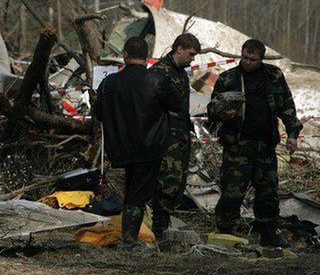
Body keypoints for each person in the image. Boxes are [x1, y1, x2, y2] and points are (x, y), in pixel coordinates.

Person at [208, 39, 302, 247]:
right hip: (237, 146)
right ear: (241, 54)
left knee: (268, 192)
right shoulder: (228, 78)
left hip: (265, 145)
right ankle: (225, 231)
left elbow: (286, 106)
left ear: (261, 58)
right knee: (232, 192)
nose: (248, 62)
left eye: (253, 59)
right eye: (245, 58)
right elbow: (212, 108)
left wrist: (293, 133)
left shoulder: (274, 76)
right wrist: (223, 114)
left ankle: (268, 233)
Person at [94, 37, 179, 250]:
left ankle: (130, 236)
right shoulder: (156, 81)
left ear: (124, 54)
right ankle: (130, 240)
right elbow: (177, 105)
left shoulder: (108, 83)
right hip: (149, 147)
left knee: (133, 190)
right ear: (148, 56)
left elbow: (99, 113)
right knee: (137, 195)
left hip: (120, 147)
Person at [148, 33, 201, 239]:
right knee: (165, 183)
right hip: (165, 138)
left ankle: (163, 223)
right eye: (190, 54)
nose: (192, 59)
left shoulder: (180, 73)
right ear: (179, 49)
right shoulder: (160, 73)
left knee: (176, 183)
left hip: (179, 137)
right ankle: (158, 228)